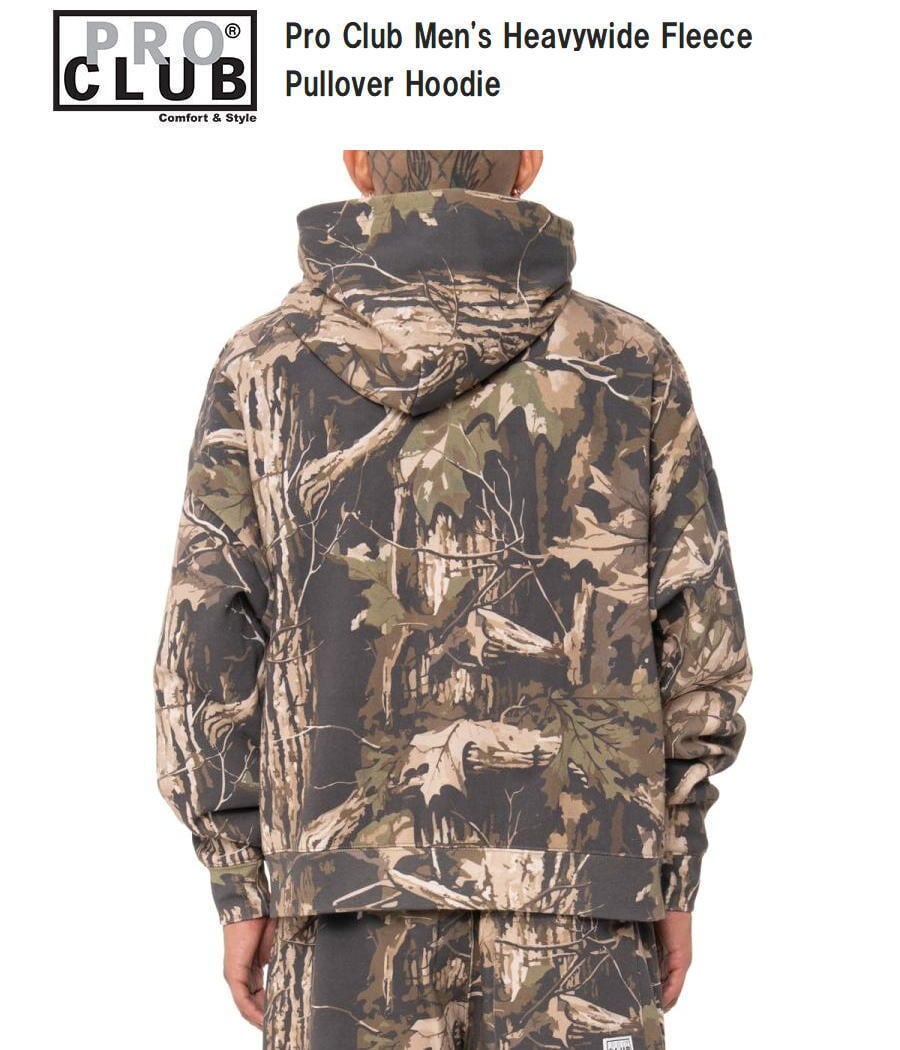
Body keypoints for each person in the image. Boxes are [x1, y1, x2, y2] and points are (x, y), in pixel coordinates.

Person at [153, 149, 752, 1049]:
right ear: (529, 164)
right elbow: (701, 638)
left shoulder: (264, 364)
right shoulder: (628, 361)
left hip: (344, 889)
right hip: (581, 889)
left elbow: (206, 640)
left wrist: (241, 878)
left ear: (358, 166)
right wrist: (670, 862)